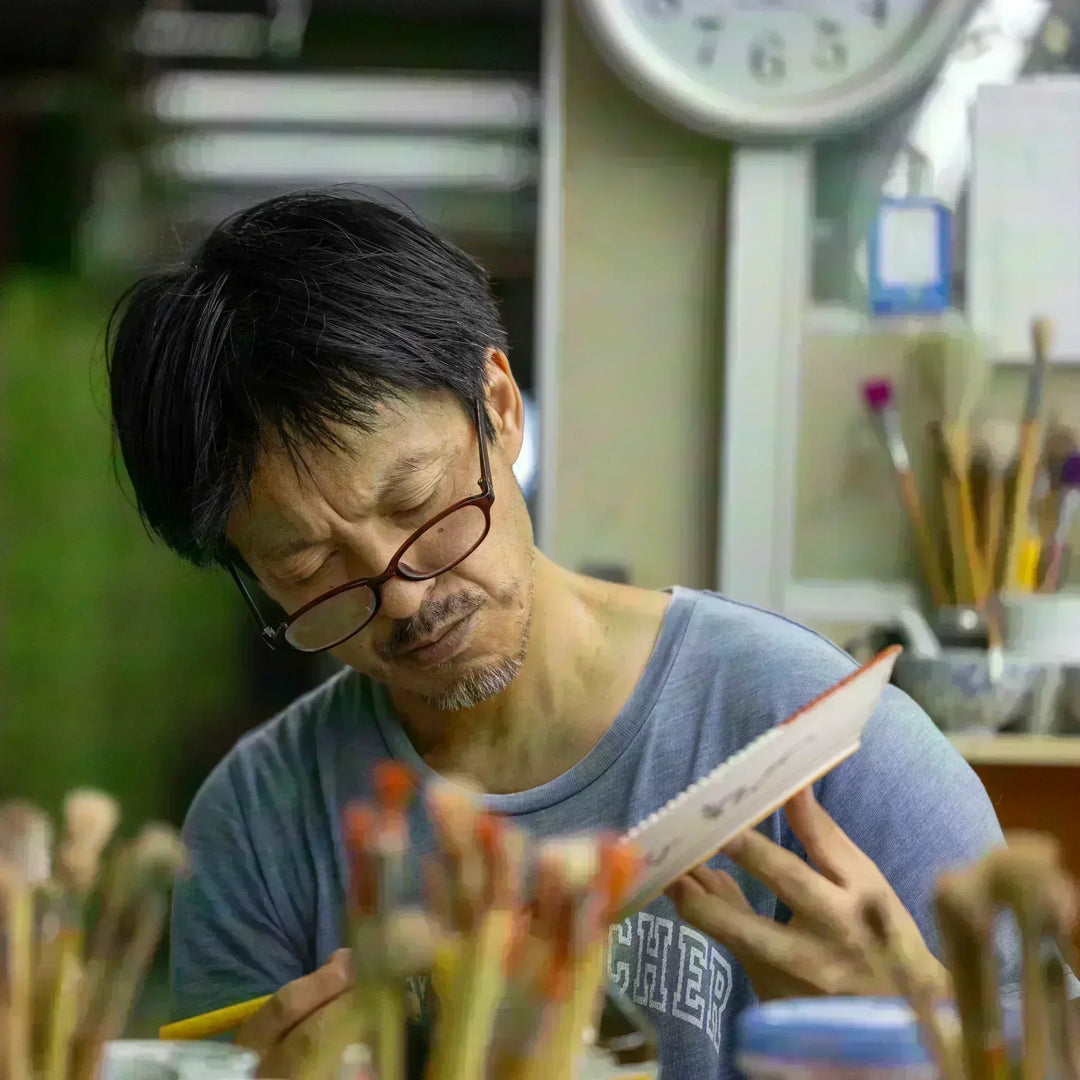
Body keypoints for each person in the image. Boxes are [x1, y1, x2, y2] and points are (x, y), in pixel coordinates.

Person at [107, 191, 1017, 1080]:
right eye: (310, 572)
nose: (402, 598)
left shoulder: (819, 740)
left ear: (499, 408)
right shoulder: (261, 826)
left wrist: (919, 1039)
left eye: (420, 505)